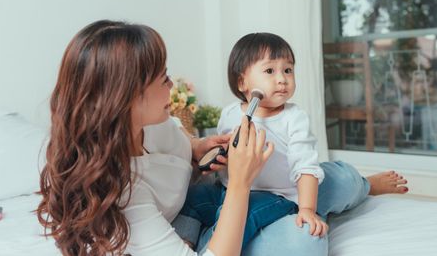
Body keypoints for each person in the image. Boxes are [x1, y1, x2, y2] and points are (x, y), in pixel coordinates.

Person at [36, 20, 274, 256]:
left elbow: (174, 127)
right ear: (127, 98)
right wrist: (240, 183)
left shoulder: (145, 124)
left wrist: (195, 146)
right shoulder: (124, 194)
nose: (171, 84)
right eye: (163, 78)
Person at [180, 32, 409, 252]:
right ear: (242, 83)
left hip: (276, 195)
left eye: (288, 70)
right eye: (270, 70)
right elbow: (228, 159)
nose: (282, 79)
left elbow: (305, 167)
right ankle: (185, 242)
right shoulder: (230, 114)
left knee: (248, 214)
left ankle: (207, 248)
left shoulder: (293, 118)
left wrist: (307, 209)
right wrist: (219, 159)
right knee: (192, 199)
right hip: (228, 191)